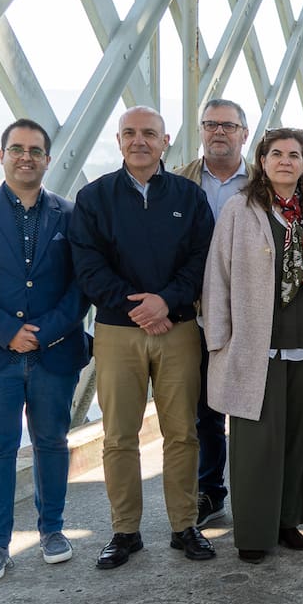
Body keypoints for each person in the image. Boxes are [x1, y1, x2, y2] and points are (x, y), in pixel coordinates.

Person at [0, 119, 91, 583]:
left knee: (51, 443)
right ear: (1, 154)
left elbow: (80, 285)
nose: (25, 157)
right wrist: (7, 331)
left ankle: (52, 531)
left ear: (47, 159)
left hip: (53, 353)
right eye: (16, 149)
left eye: (35, 150)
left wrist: (42, 333)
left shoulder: (69, 215)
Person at [69, 106, 216, 569]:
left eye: (149, 134)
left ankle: (184, 526)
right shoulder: (94, 198)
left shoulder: (189, 197)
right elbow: (88, 266)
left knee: (182, 433)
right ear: (118, 141)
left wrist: (165, 303)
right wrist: (140, 308)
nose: (140, 141)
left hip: (177, 329)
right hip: (117, 332)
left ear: (165, 141)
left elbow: (201, 260)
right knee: (119, 436)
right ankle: (125, 531)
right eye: (130, 133)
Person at [202, 127, 303, 564]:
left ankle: (287, 522)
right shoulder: (241, 210)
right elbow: (216, 278)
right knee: (255, 447)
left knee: (298, 442)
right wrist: (219, 342)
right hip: (255, 350)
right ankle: (254, 535)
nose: (285, 161)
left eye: (294, 155)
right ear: (261, 161)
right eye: (276, 153)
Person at [177, 98, 252, 530]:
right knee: (204, 409)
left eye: (228, 125)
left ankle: (253, 490)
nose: (218, 132)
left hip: (249, 312)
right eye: (210, 124)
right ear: (201, 131)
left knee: (249, 406)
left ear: (244, 133)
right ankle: (210, 491)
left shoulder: (263, 181)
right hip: (195, 311)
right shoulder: (178, 182)